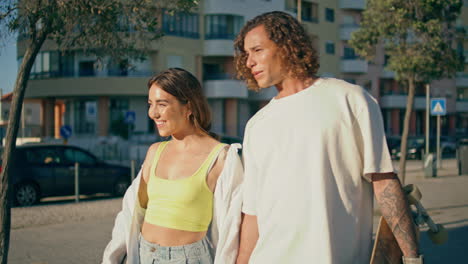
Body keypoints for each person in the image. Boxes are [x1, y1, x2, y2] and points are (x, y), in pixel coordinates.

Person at [233, 11, 421, 264]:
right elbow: (253, 212)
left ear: (287, 46)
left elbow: (384, 181)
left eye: (257, 50)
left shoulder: (350, 100)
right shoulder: (257, 125)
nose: (249, 62)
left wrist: (411, 257)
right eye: (246, 54)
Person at [102, 68, 244, 264]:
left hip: (188, 258)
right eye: (150, 104)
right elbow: (132, 213)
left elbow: (234, 225)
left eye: (162, 104)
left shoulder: (222, 157)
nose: (153, 113)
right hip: (144, 254)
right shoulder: (155, 151)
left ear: (189, 107)